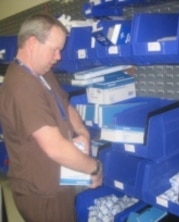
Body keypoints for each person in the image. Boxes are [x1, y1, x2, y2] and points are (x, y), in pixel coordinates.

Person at [0, 13, 102, 222]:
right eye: (54, 50)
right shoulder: (22, 87)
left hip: (57, 181)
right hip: (42, 196)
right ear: (32, 43)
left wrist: (81, 131)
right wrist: (94, 167)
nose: (59, 57)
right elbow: (54, 147)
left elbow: (64, 102)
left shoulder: (40, 71)